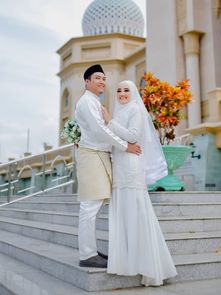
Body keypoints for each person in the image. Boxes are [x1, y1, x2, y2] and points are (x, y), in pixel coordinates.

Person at [102, 80, 177, 285]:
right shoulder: (119, 112)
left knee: (137, 210)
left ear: (133, 93)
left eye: (126, 90)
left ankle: (148, 265)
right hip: (119, 165)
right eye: (119, 90)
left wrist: (109, 122)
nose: (122, 94)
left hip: (131, 166)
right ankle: (126, 260)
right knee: (123, 211)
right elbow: (117, 139)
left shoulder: (134, 110)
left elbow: (133, 136)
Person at [74, 65, 141, 268]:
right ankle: (87, 255)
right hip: (92, 156)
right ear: (87, 81)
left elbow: (99, 130)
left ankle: (90, 251)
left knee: (94, 205)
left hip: (98, 156)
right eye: (97, 78)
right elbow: (100, 131)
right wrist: (125, 146)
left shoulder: (94, 102)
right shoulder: (87, 102)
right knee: (90, 205)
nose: (102, 81)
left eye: (104, 78)